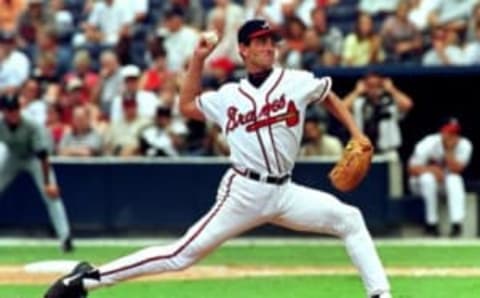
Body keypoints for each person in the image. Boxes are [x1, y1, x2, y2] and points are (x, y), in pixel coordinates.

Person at [44, 19, 391, 298]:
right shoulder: (229, 96)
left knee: (350, 219)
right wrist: (198, 59)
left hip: (285, 193)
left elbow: (328, 95)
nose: (268, 46)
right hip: (244, 192)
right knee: (180, 256)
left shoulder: (296, 81)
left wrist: (356, 133)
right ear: (243, 50)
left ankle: (380, 295)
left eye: (271, 41)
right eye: (259, 42)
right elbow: (186, 106)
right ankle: (84, 282)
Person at [0, 93, 73, 252]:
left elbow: (43, 156)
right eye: (9, 110)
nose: (13, 114)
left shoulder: (32, 125)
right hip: (12, 156)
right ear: (3, 111)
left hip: (35, 159)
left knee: (51, 194)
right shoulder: (1, 123)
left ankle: (65, 238)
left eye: (15, 110)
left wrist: (48, 183)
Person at [408, 117, 473, 237]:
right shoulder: (428, 143)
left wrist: (448, 151)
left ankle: (456, 224)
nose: (452, 136)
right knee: (428, 179)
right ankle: (431, 224)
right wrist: (431, 170)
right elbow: (411, 168)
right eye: (449, 132)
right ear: (442, 132)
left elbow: (456, 169)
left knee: (455, 179)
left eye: (455, 133)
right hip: (420, 184)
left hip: (444, 184)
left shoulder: (465, 145)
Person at [343, 72, 413, 155]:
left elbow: (408, 104)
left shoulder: (390, 102)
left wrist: (391, 89)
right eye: (370, 86)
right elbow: (341, 108)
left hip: (387, 151)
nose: (374, 90)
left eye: (377, 86)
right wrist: (357, 91)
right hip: (362, 151)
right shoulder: (358, 102)